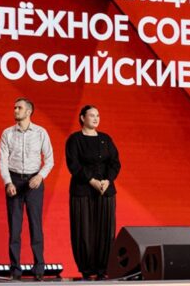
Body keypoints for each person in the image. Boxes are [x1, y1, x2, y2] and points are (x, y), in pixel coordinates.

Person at [0, 98, 53, 280]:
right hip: (14, 180)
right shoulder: (7, 133)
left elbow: (50, 159)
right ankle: (15, 269)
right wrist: (8, 182)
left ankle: (39, 268)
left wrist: (40, 176)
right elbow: (2, 160)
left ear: (28, 112)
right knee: (14, 228)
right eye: (14, 107)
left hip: (34, 181)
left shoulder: (40, 132)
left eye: (19, 108)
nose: (15, 110)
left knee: (36, 226)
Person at [65, 105, 121, 280]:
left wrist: (107, 180)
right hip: (82, 190)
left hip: (105, 190)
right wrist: (92, 181)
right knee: (83, 231)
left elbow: (115, 163)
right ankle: (87, 271)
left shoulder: (105, 138)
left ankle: (103, 270)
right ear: (82, 118)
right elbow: (73, 165)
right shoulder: (75, 139)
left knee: (105, 231)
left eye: (98, 115)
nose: (96, 119)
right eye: (92, 115)